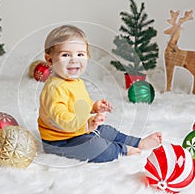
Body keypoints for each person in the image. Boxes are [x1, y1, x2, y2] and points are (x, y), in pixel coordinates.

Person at [37, 25, 162, 163]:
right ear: (49, 60)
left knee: (107, 130)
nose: (74, 59)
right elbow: (62, 118)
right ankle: (122, 149)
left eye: (80, 54)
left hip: (80, 131)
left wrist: (94, 106)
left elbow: (78, 105)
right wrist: (86, 125)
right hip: (61, 141)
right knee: (97, 147)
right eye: (66, 55)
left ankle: (138, 142)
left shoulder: (75, 81)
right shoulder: (54, 89)